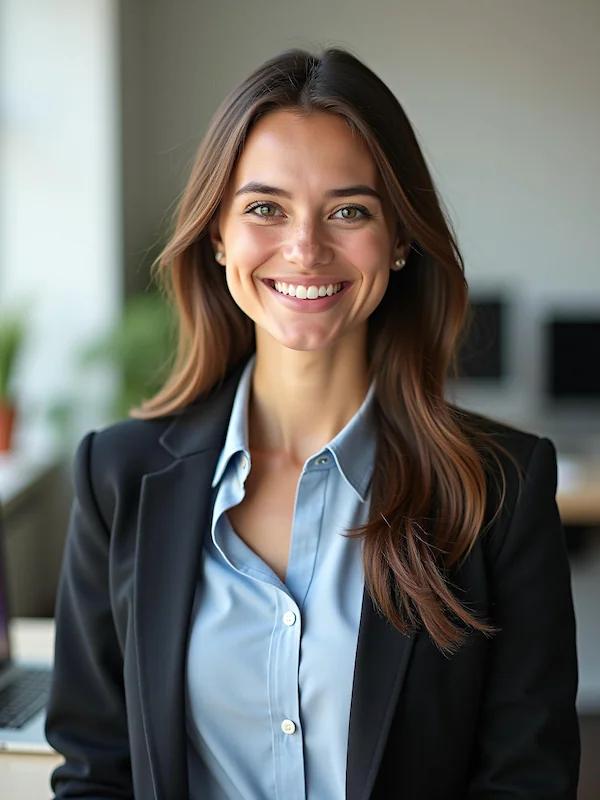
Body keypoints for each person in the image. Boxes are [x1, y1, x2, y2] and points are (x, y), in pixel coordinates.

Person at [45, 47, 580, 799]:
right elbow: (94, 770)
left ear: (399, 240)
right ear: (219, 234)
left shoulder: (501, 488)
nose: (305, 248)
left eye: (349, 211)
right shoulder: (117, 477)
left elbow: (527, 781)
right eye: (265, 208)